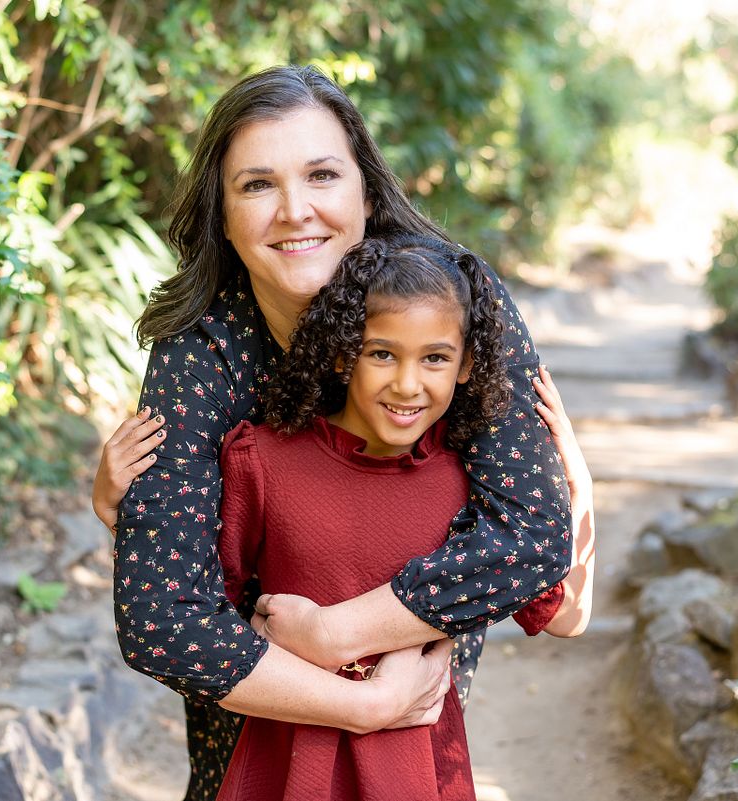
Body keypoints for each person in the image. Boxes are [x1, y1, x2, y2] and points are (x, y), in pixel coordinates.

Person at [93, 64, 573, 800]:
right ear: (223, 213)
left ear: (366, 192)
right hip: (256, 740)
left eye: (321, 175)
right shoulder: (202, 351)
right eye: (258, 185)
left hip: (417, 730)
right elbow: (162, 617)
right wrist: (364, 705)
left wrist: (337, 634)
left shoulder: (453, 300)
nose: (295, 211)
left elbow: (533, 536)